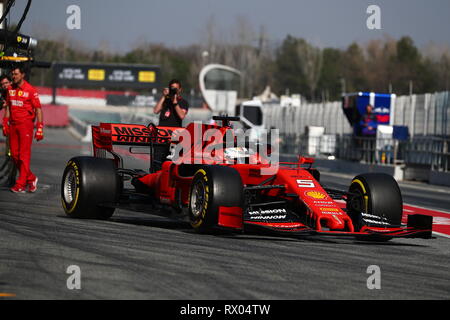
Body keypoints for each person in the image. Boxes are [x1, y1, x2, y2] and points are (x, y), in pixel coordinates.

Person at [2, 66, 44, 193]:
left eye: (16, 74)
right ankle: (31, 179)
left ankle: (21, 183)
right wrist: (5, 122)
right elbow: (8, 107)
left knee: (23, 155)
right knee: (14, 155)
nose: (13, 76)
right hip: (13, 125)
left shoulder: (31, 90)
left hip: (26, 125)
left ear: (22, 75)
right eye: (12, 74)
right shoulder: (10, 89)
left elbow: (38, 109)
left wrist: (40, 127)